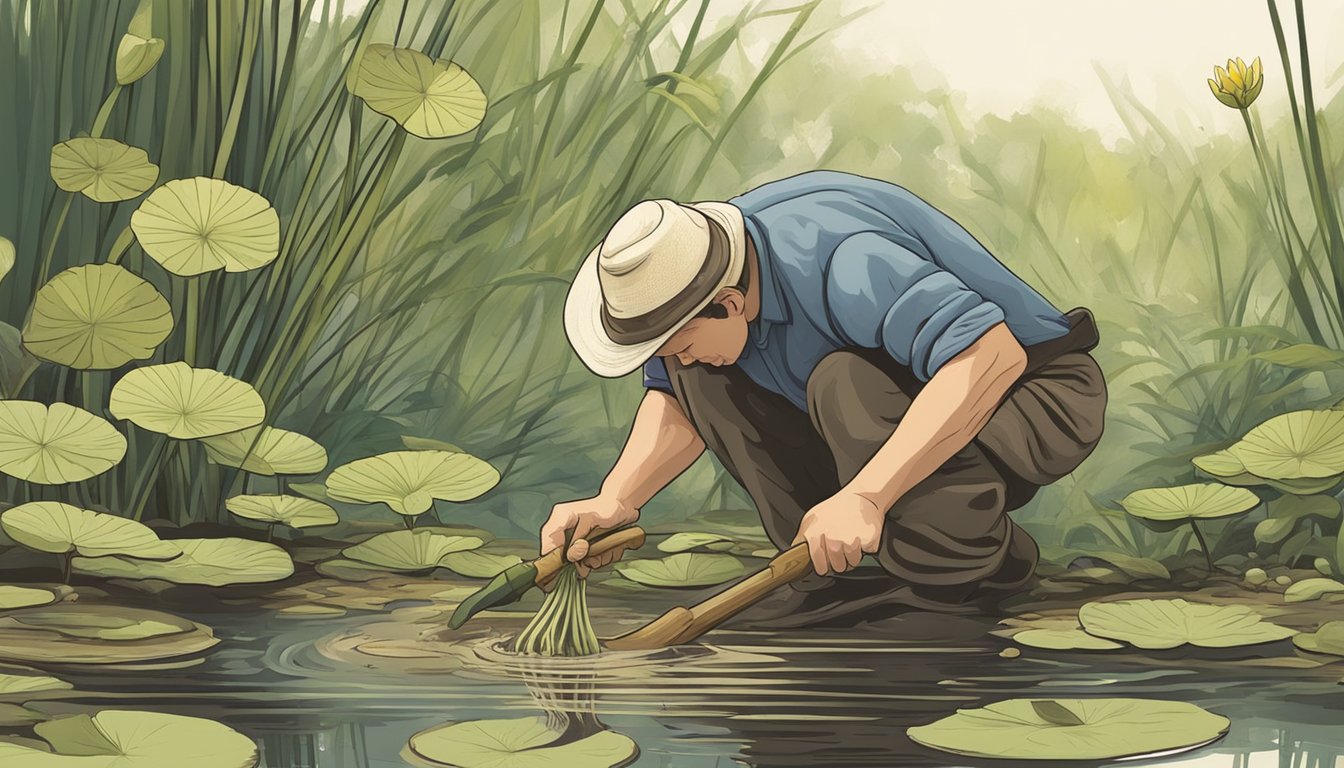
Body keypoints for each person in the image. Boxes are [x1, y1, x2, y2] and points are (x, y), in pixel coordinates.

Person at [542, 170, 1106, 627]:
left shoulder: (846, 261)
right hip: (910, 390)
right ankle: (833, 576)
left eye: (682, 343)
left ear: (730, 302)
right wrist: (615, 500)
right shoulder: (709, 274)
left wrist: (864, 497)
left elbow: (990, 357)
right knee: (701, 381)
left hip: (1034, 396)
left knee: (841, 381)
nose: (677, 359)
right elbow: (677, 402)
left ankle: (966, 565)